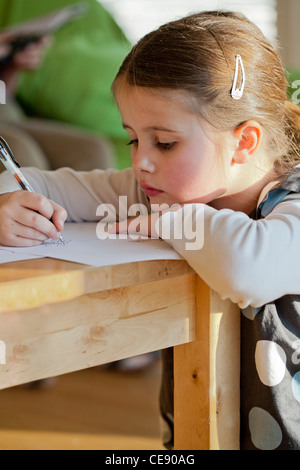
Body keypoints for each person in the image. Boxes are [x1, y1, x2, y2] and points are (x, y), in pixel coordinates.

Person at [0, 10, 300, 450]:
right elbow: (43, 184)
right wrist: (7, 204)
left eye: (164, 143)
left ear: (245, 142)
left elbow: (248, 267)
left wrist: (169, 220)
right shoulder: (158, 192)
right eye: (132, 139)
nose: (140, 161)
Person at [0, 31, 114, 172]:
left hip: (7, 115)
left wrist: (12, 64)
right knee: (18, 151)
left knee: (93, 149)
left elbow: (4, 94)